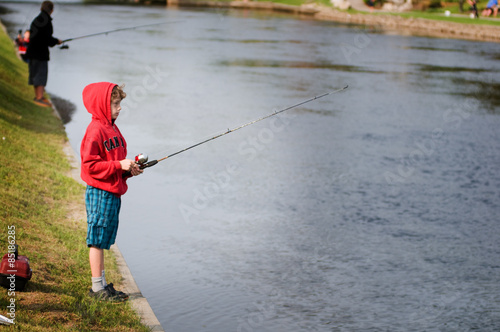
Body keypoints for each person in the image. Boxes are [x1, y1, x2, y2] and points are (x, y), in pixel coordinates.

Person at [80, 82, 143, 301]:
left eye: (119, 103)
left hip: (112, 192)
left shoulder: (113, 127)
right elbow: (90, 166)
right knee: (97, 239)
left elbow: (113, 162)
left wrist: (128, 170)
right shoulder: (96, 130)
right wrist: (118, 166)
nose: (119, 108)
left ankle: (103, 285)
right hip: (99, 193)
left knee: (104, 238)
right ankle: (97, 289)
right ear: (101, 105)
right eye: (115, 104)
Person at [25, 1, 62, 107]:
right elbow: (47, 39)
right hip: (40, 53)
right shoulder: (47, 22)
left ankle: (38, 96)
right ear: (51, 10)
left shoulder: (37, 19)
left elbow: (35, 34)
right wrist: (57, 41)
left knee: (35, 74)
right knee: (41, 75)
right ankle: (39, 98)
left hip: (32, 52)